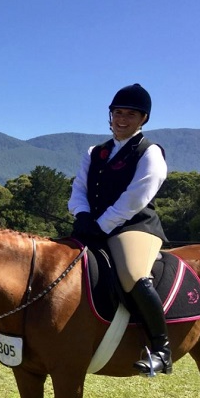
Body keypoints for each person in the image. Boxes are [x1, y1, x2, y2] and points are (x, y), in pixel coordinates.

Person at [68, 83, 171, 376]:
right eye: (118, 112)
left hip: (134, 227)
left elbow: (136, 197)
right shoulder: (95, 152)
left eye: (130, 114)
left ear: (143, 119)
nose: (122, 119)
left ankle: (162, 350)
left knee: (133, 275)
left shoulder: (150, 153)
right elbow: (79, 188)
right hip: (93, 225)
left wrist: (101, 225)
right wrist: (82, 215)